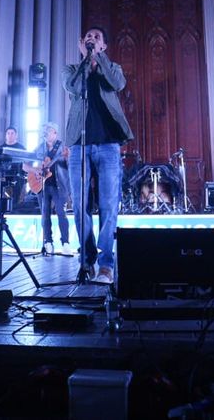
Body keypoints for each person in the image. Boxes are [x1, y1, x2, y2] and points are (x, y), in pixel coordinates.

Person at [63, 26, 133, 284]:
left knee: (108, 205)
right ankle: (87, 259)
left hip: (108, 145)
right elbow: (71, 87)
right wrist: (85, 60)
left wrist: (98, 59)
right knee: (80, 205)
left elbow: (118, 84)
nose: (91, 39)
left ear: (103, 46)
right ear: (81, 44)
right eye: (88, 37)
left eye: (97, 37)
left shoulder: (112, 67)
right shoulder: (72, 70)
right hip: (79, 144)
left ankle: (106, 265)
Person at [29, 121, 73, 256]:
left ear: (55, 132)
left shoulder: (62, 148)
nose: (46, 132)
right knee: (45, 214)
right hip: (42, 185)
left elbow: (70, 166)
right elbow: (25, 166)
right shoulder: (39, 148)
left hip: (59, 185)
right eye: (44, 130)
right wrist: (35, 170)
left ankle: (65, 243)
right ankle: (48, 242)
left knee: (62, 213)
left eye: (48, 130)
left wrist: (68, 158)